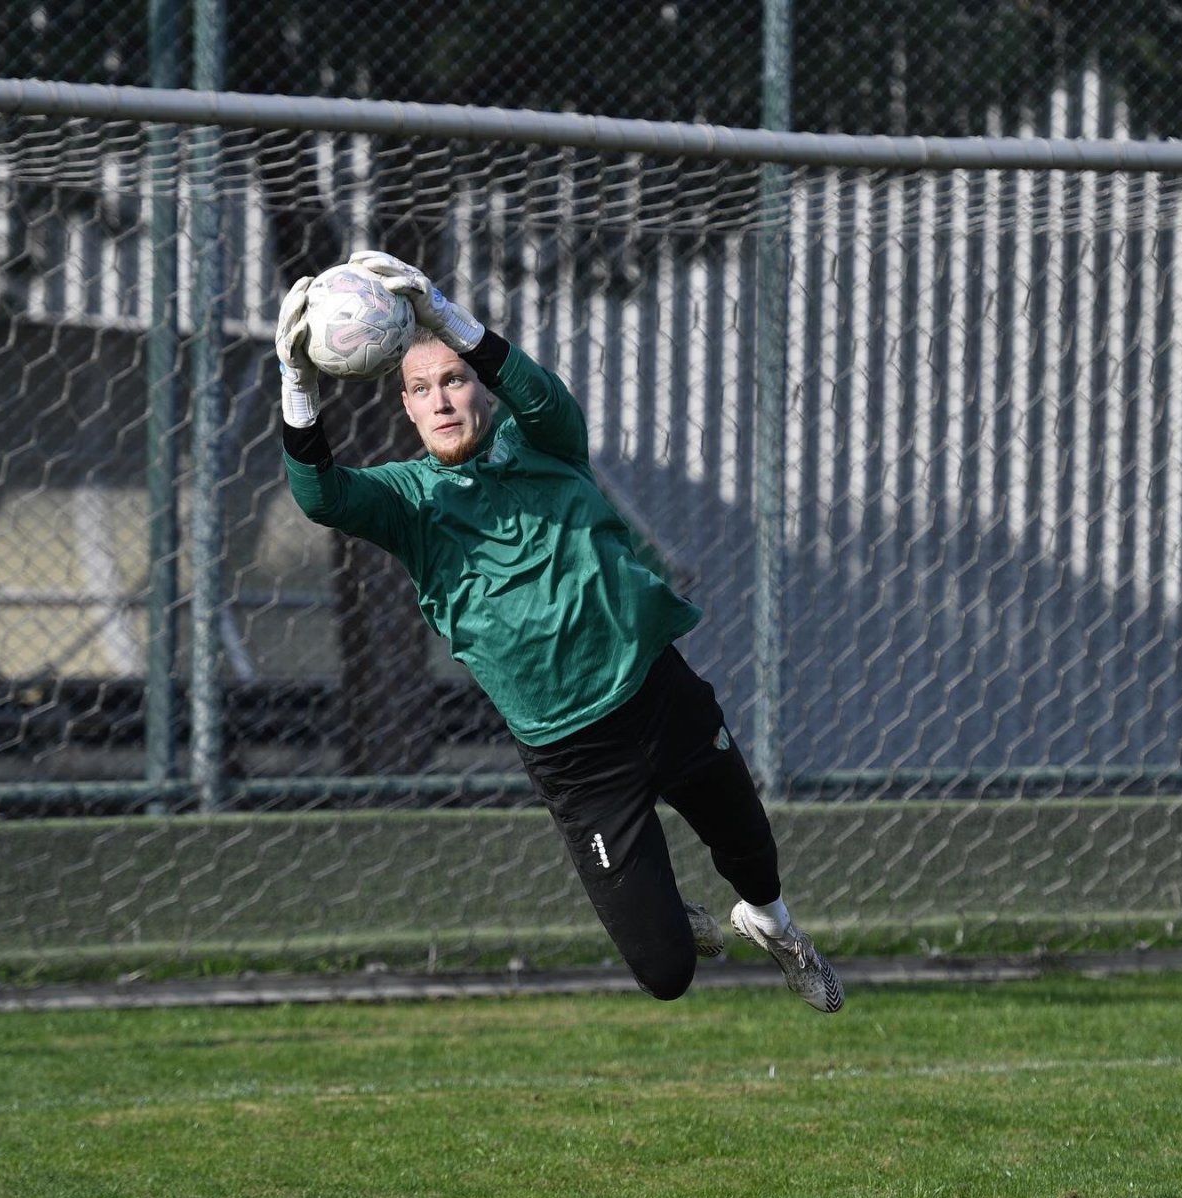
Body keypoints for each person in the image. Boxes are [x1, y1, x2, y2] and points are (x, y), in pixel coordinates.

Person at [275, 250, 843, 1013]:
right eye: (420, 389)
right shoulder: (408, 502)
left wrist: (444, 313)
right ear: (405, 408)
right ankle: (676, 919)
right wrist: (299, 382)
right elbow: (319, 494)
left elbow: (539, 393)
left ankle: (772, 926)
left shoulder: (545, 440)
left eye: (454, 379)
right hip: (575, 755)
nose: (440, 400)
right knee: (666, 972)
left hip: (656, 692)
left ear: (482, 388)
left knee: (751, 851)